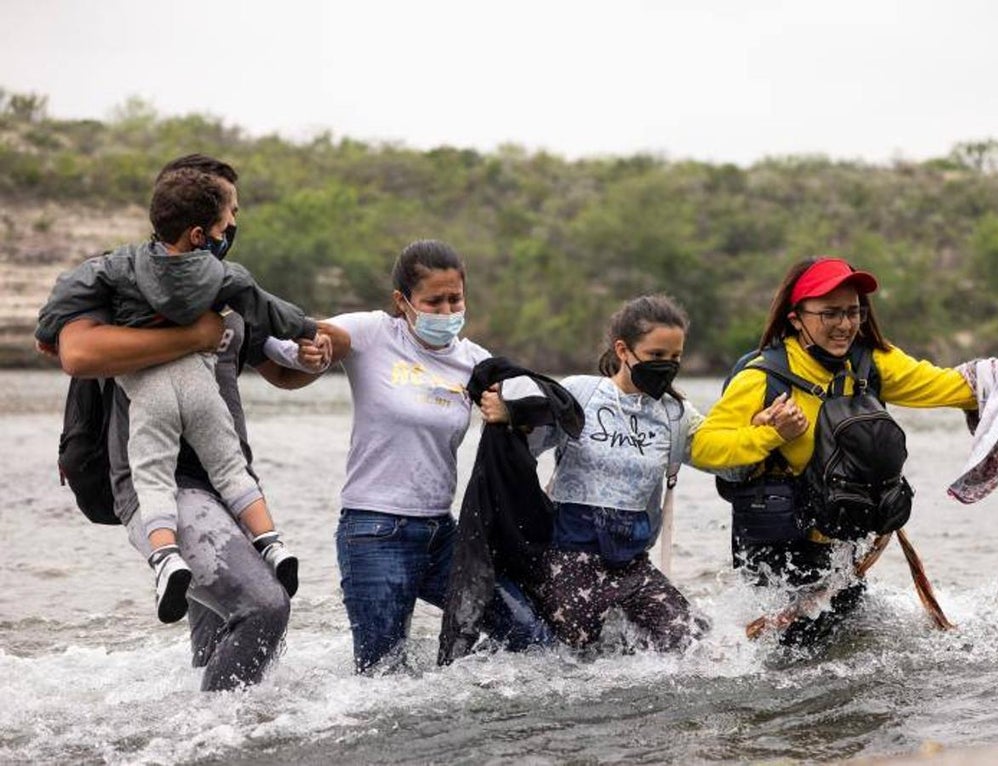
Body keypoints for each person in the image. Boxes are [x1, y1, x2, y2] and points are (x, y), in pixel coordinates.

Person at [41, 154, 330, 691]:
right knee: (266, 606)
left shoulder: (219, 286)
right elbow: (77, 352)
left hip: (227, 481)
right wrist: (192, 337)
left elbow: (276, 368)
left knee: (223, 630)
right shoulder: (123, 279)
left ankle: (202, 734)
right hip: (162, 485)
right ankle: (217, 731)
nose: (235, 225)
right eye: (229, 213)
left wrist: (314, 358)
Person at [690, 256, 998, 646]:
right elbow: (704, 448)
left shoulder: (874, 364)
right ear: (796, 318)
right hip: (777, 551)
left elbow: (954, 386)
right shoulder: (760, 378)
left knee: (842, 648)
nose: (845, 324)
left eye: (854, 312)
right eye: (830, 313)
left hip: (842, 549)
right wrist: (769, 435)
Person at [262, 239, 552, 673]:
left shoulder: (475, 362)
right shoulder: (373, 333)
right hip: (375, 532)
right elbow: (290, 340)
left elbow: (540, 411)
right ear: (403, 302)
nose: (446, 310)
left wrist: (510, 410)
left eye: (455, 299)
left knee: (532, 637)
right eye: (433, 301)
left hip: (444, 535)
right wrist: (312, 350)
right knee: (382, 676)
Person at [485, 294, 710, 652]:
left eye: (675, 357)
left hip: (632, 564)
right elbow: (524, 446)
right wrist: (511, 415)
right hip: (568, 561)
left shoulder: (676, 414)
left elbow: (726, 458)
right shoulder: (580, 393)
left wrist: (765, 431)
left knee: (698, 646)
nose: (667, 365)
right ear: (623, 350)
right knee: (573, 663)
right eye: (656, 356)